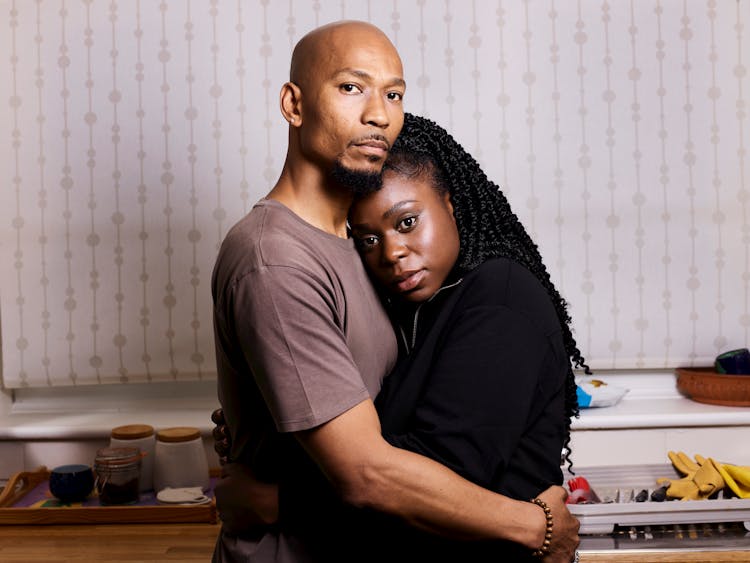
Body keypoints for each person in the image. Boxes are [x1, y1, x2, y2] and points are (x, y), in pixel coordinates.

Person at [211, 19, 579, 563]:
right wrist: (534, 525)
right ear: (293, 105)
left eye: (394, 94)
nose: (379, 114)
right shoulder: (276, 260)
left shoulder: (354, 249)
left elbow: (393, 436)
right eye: (351, 87)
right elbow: (367, 474)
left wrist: (273, 489)